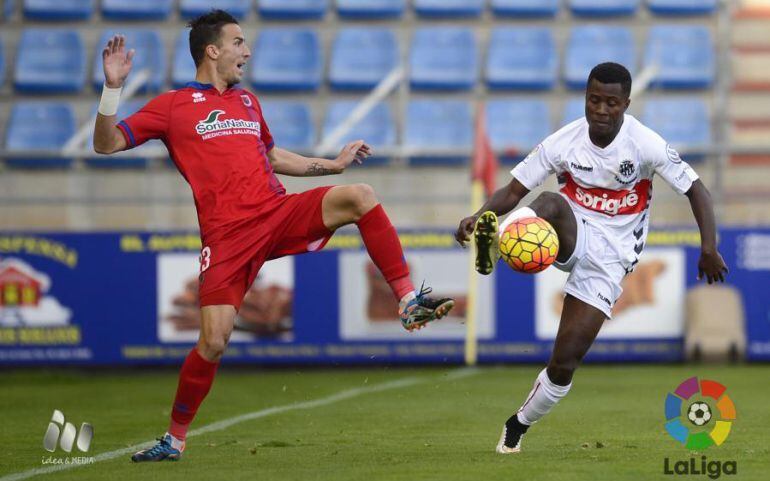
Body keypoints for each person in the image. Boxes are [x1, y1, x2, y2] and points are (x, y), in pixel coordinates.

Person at [93, 10, 454, 462]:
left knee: (360, 195)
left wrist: (331, 165)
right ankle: (174, 439)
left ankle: (405, 300)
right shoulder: (172, 106)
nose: (246, 51)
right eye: (238, 42)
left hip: (276, 212)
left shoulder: (247, 102)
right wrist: (112, 89)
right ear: (212, 50)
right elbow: (106, 144)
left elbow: (272, 156)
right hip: (227, 237)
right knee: (214, 342)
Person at [455, 62, 728, 454]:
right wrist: (481, 215)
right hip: (572, 229)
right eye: (594, 100)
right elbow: (514, 190)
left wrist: (708, 247)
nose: (601, 109)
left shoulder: (645, 143)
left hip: (612, 259)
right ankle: (496, 239)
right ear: (585, 98)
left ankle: (518, 424)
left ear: (626, 104)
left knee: (564, 362)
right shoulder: (563, 141)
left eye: (611, 103)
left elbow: (696, 189)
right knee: (549, 200)